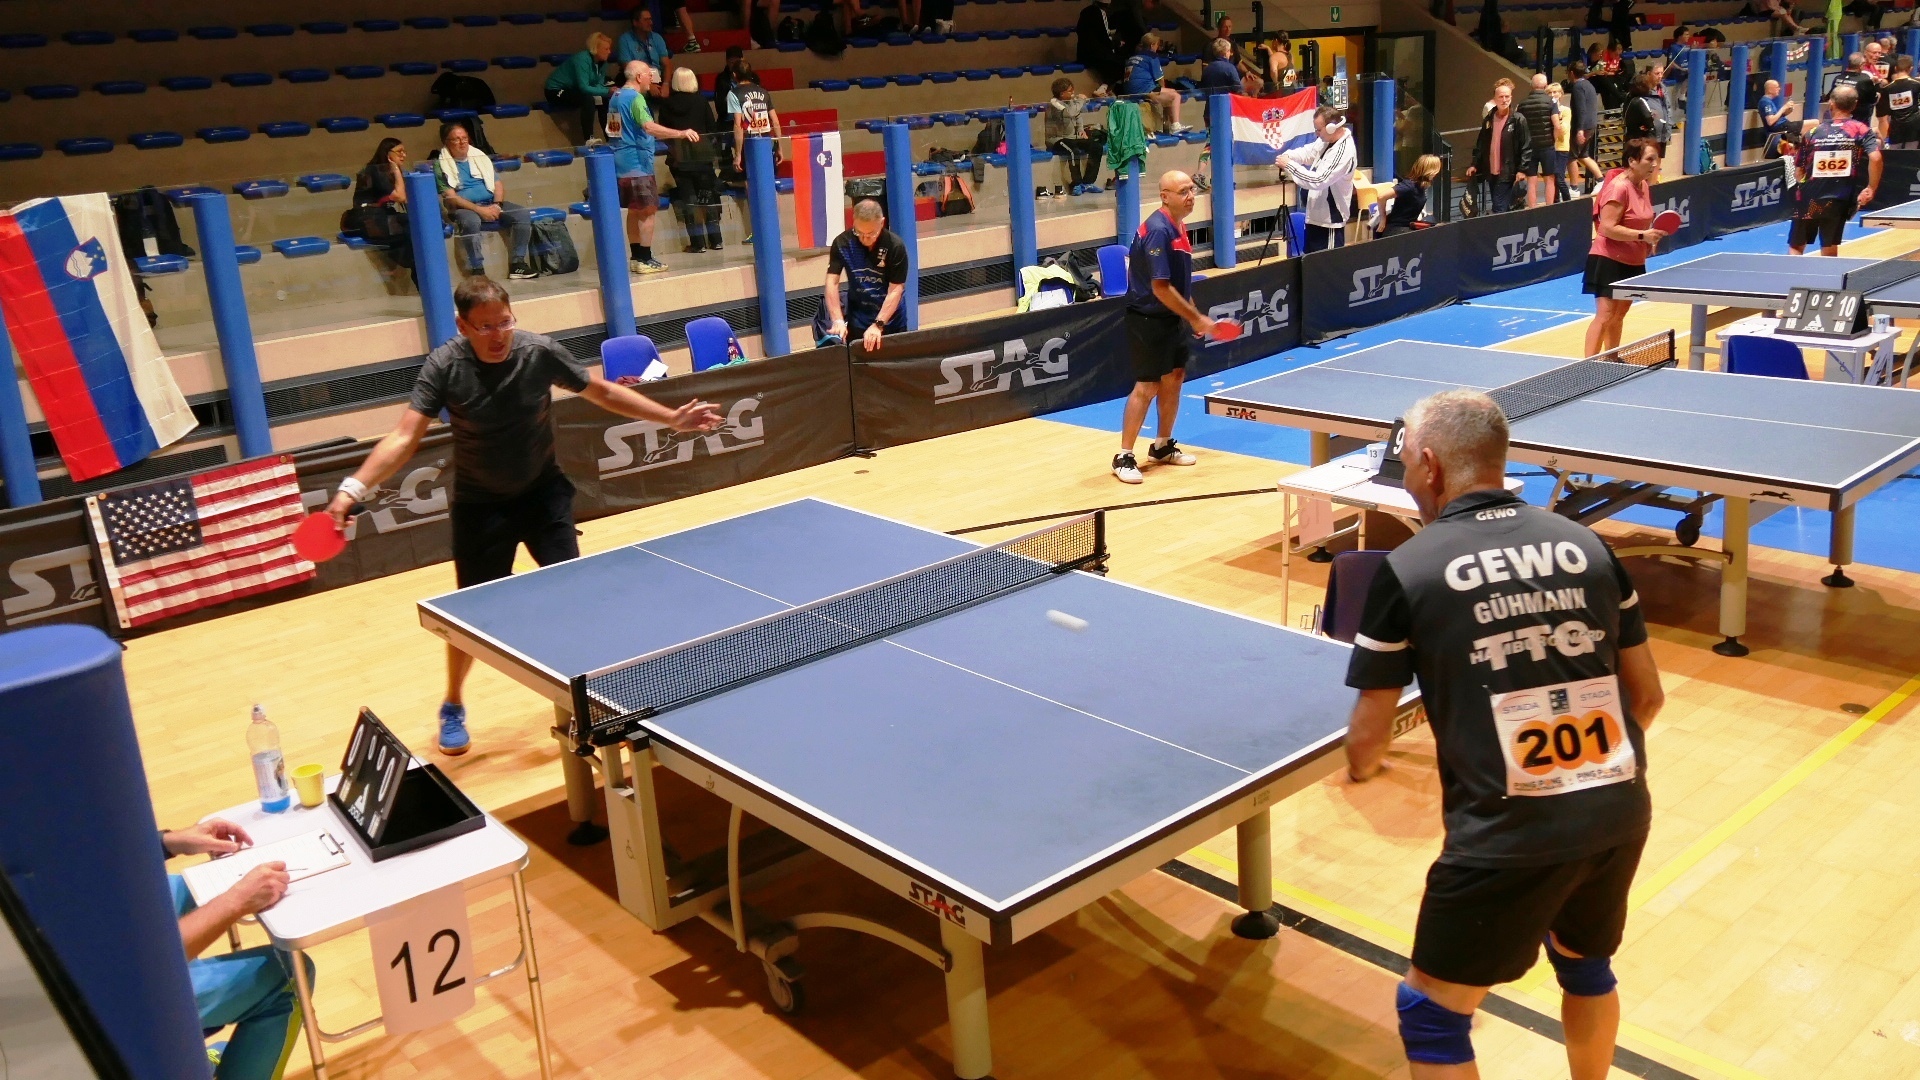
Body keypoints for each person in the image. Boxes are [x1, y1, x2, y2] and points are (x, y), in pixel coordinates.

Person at [1343, 388, 1665, 1080]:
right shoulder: (1588, 545)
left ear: (1431, 464)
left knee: (1432, 1013)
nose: (1405, 472)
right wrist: (1582, 769)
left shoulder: (1409, 567)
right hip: (1617, 810)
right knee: (1585, 966)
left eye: (1405, 459)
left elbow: (1369, 737)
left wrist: (1362, 771)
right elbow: (1647, 696)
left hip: (1506, 835)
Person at [325, 277, 723, 753]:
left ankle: (595, 699)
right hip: (481, 505)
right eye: (485, 327)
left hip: (542, 495)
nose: (498, 336)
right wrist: (352, 489)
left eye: (505, 323)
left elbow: (601, 392)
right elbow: (404, 436)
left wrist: (671, 418)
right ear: (463, 326)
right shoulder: (446, 366)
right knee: (470, 617)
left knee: (574, 596)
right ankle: (453, 703)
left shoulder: (538, 353)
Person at [162, 819, 307, 1080]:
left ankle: (188, 1061)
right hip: (118, 999)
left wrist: (167, 842)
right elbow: (150, 963)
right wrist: (235, 901)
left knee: (186, 886)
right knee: (290, 974)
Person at [1112, 170, 1211, 485]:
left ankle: (1162, 446)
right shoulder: (1158, 230)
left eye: (1192, 189)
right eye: (1183, 191)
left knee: (1174, 378)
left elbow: (1179, 283)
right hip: (1147, 318)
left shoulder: (1179, 226)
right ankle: (1123, 456)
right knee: (1148, 385)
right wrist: (1195, 317)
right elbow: (1160, 287)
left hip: (1171, 317)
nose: (1190, 196)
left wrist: (1191, 314)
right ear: (1165, 197)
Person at [610, 61, 701, 273]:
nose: (652, 77)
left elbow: (613, 131)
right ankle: (644, 258)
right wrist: (681, 133)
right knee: (648, 211)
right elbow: (649, 127)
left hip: (622, 161)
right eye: (649, 74)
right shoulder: (635, 98)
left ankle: (636, 258)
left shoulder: (616, 97)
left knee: (634, 211)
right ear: (638, 77)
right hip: (638, 163)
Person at [1583, 138, 1671, 355]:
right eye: (1649, 159)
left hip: (1633, 260)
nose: (1654, 164)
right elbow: (1606, 228)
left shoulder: (1643, 185)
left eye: (1656, 159)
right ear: (1632, 161)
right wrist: (1642, 235)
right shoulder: (1619, 187)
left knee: (1619, 315)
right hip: (1608, 259)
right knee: (1605, 315)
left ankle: (1613, 360)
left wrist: (1650, 238)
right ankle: (1587, 366)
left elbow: (1640, 221)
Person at [1791, 83, 1883, 256]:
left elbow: (1799, 171)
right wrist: (1871, 187)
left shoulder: (1813, 132)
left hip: (1808, 197)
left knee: (1796, 246)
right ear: (1854, 105)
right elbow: (1876, 157)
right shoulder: (1861, 130)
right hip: (1838, 198)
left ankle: (1791, 274)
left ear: (1831, 103)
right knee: (1829, 247)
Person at [436, 120, 535, 280]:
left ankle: (518, 264)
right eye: (456, 139)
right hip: (464, 208)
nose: (462, 142)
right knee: (471, 221)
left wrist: (497, 205)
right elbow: (451, 197)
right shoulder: (440, 165)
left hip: (491, 203)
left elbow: (498, 184)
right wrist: (479, 210)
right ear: (446, 142)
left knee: (522, 213)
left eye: (465, 138)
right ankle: (477, 269)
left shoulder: (480, 157)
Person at [813, 200, 908, 350]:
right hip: (858, 319)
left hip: (891, 321)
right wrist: (837, 320)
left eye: (870, 234)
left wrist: (878, 324)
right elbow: (832, 282)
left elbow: (896, 289)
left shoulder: (895, 246)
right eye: (859, 233)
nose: (864, 239)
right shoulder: (842, 243)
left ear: (882, 223)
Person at [659, 66, 724, 252]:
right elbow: (712, 128)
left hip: (679, 158)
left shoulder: (667, 104)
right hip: (702, 157)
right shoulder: (701, 101)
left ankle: (697, 243)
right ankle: (716, 240)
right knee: (708, 199)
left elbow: (664, 132)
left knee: (689, 201)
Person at [1280, 105, 1359, 250]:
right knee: (1311, 262)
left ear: (1331, 128)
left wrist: (1289, 165)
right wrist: (1289, 156)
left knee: (1326, 264)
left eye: (1318, 130)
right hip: (1315, 218)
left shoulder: (1344, 151)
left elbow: (1319, 180)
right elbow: (1309, 153)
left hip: (1329, 223)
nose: (1316, 134)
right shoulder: (1326, 140)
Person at [342, 138, 414, 278]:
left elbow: (406, 200)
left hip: (382, 214)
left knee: (412, 222)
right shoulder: (375, 171)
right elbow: (400, 196)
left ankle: (407, 264)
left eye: (404, 152)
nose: (403, 155)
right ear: (387, 154)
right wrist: (397, 171)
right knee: (406, 224)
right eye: (399, 152)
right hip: (365, 217)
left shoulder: (389, 172)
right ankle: (403, 264)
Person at [1467, 79, 1530, 213]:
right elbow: (1481, 144)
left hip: (1508, 172)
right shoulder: (1489, 120)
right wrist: (1474, 164)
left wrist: (1522, 169)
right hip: (1491, 172)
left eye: (1507, 96)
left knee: (1498, 206)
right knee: (1501, 206)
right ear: (1494, 99)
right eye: (1501, 97)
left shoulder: (1518, 119)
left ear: (1511, 97)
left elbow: (1526, 146)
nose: (1504, 100)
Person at [544, 32, 614, 146]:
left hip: (574, 90)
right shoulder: (582, 59)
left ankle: (612, 138)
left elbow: (599, 85)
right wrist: (607, 91)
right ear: (595, 49)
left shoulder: (603, 62)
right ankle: (589, 139)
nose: (609, 52)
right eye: (606, 49)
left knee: (605, 99)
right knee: (588, 99)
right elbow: (584, 87)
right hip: (556, 90)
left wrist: (609, 92)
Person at [1044, 77, 1107, 195]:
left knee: (1096, 147)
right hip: (1057, 140)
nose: (1073, 93)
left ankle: (1088, 182)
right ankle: (1076, 184)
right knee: (1073, 151)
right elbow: (1070, 113)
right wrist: (1080, 100)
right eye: (1070, 91)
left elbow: (1077, 115)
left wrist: (1081, 130)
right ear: (1062, 94)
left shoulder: (1070, 101)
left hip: (1072, 137)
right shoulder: (1054, 103)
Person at [1121, 33, 1188, 134]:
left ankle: (1169, 126)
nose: (1158, 47)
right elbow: (1160, 79)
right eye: (1157, 45)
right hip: (1144, 89)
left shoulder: (1133, 57)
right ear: (1152, 45)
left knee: (1168, 94)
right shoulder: (1151, 57)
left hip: (1129, 91)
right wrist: (1163, 92)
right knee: (1175, 96)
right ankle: (1175, 125)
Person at [1517, 73, 1562, 206]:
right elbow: (1557, 125)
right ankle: (1549, 208)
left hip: (1529, 147)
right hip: (1547, 145)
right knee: (1549, 178)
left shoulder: (1522, 104)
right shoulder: (1551, 102)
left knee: (1531, 180)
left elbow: (1519, 127)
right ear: (1546, 85)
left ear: (1531, 85)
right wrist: (1553, 139)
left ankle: (1532, 208)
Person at [730, 67, 784, 176]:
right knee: (768, 176)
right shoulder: (763, 92)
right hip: (766, 143)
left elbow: (738, 124)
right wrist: (780, 147)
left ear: (734, 75)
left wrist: (738, 154)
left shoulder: (733, 94)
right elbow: (775, 122)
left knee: (750, 178)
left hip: (748, 143)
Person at [1375, 154, 1443, 236]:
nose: (1436, 174)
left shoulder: (1420, 186)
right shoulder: (1409, 186)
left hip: (1408, 227)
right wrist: (1383, 220)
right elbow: (1381, 197)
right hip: (1398, 230)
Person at [613, 8, 672, 98]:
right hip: (636, 78)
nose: (650, 22)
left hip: (657, 77)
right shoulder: (625, 40)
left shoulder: (657, 38)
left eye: (650, 19)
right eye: (646, 20)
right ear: (635, 22)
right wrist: (648, 85)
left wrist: (666, 84)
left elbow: (667, 64)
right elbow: (627, 67)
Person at [1569, 61, 1605, 193]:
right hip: (1591, 124)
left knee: (1571, 156)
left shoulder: (1577, 87)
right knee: (1583, 155)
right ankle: (1601, 180)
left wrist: (1579, 129)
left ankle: (1574, 188)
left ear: (1571, 73)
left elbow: (1581, 109)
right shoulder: (1589, 85)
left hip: (1582, 126)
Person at [1076, 0, 1126, 93]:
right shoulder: (1099, 13)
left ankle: (1107, 88)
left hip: (1083, 52)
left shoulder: (1085, 11)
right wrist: (1116, 44)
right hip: (1094, 54)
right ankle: (1104, 88)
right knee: (1120, 63)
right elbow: (1103, 36)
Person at [1621, 69, 1669, 156]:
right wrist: (1649, 125)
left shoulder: (1630, 99)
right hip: (1640, 140)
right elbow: (1648, 120)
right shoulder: (1640, 101)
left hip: (1631, 137)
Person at [1881, 55, 1920, 147]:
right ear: (1911, 69)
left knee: (1895, 153)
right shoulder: (1917, 84)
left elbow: (1884, 115)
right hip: (1914, 126)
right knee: (1912, 152)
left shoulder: (1887, 88)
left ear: (1895, 68)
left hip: (1896, 127)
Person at [1834, 53, 1880, 129]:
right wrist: (1877, 87)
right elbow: (1873, 100)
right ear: (1861, 65)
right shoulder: (1865, 79)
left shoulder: (1837, 78)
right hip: (1859, 121)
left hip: (1838, 119)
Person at [1759, 79, 1797, 153]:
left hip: (1783, 125)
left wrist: (1787, 111)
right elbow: (1770, 121)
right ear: (1770, 89)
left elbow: (1777, 117)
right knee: (1814, 122)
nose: (1779, 89)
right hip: (1779, 127)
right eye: (1777, 87)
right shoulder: (1765, 102)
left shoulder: (1769, 101)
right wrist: (1784, 108)